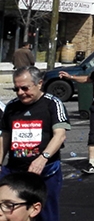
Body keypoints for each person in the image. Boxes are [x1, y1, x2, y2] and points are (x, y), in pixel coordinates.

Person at [0, 67, 69, 221]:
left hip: (45, 172)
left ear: (39, 83)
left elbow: (60, 135)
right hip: (15, 172)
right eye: (16, 89)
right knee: (10, 213)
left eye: (25, 88)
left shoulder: (52, 104)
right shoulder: (11, 107)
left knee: (46, 214)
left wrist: (43, 158)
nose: (20, 93)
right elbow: (5, 136)